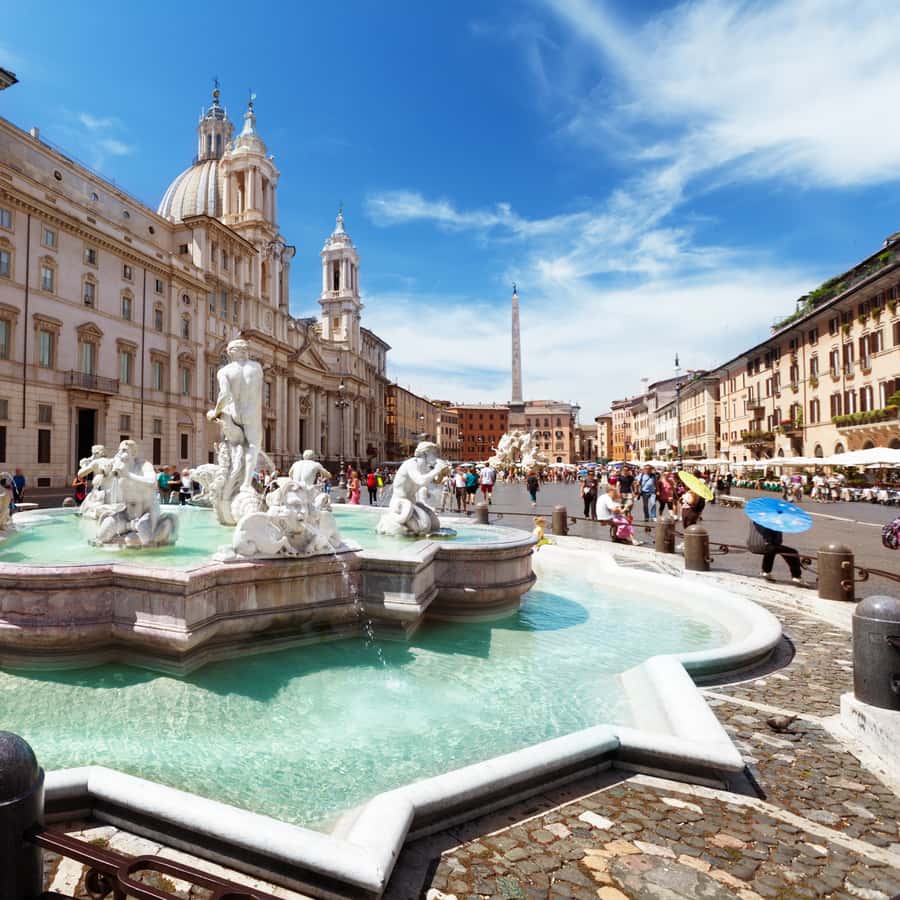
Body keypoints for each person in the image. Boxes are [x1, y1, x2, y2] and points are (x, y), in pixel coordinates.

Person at [206, 338, 264, 493]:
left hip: (234, 413)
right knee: (252, 446)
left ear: (231, 352)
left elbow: (224, 395)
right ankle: (245, 483)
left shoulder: (224, 371)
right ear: (245, 351)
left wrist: (216, 412)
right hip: (252, 414)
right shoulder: (257, 368)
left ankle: (231, 479)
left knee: (234, 447)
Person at [747, 520, 802, 584]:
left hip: (752, 545)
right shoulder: (773, 523)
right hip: (765, 547)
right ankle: (796, 576)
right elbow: (778, 541)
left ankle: (766, 572)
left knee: (772, 549)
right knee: (792, 552)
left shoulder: (755, 520)